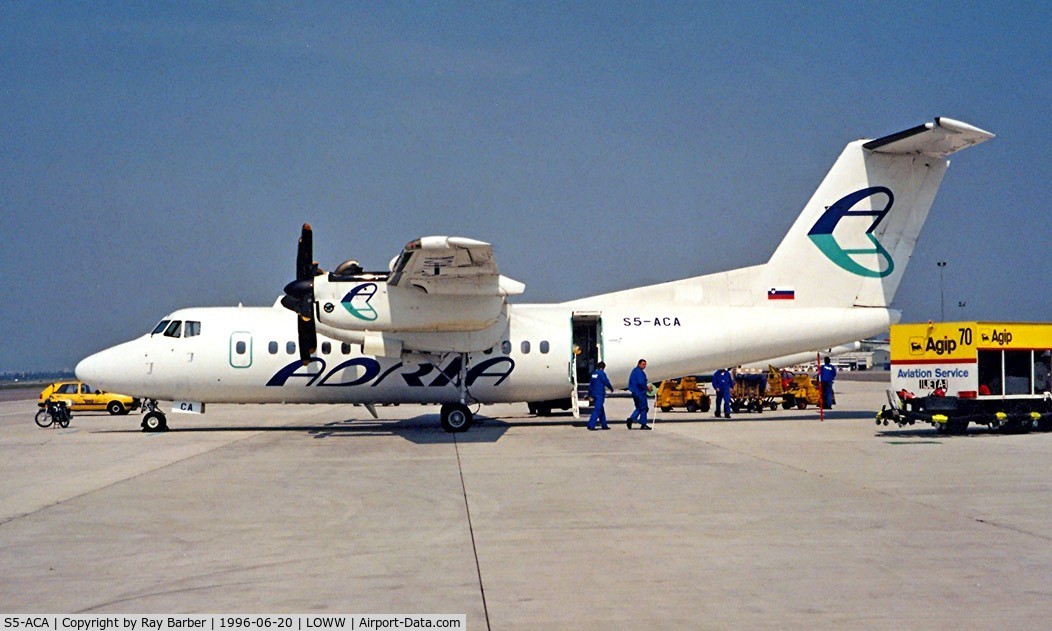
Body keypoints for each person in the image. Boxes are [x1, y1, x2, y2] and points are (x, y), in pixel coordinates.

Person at [586, 362, 614, 430]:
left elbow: (591, 385)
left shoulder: (594, 374)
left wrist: (589, 394)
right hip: (599, 394)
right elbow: (606, 382)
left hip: (594, 393)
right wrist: (611, 388)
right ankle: (591, 425)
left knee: (601, 410)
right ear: (603, 367)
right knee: (597, 410)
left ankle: (604, 425)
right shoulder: (602, 373)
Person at [626, 359, 651, 430]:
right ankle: (643, 424)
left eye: (645, 364)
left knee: (639, 408)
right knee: (644, 408)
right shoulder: (639, 372)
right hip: (640, 393)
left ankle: (631, 419)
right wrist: (647, 388)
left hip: (635, 392)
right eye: (643, 364)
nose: (644, 366)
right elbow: (640, 382)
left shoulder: (634, 371)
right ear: (639, 364)